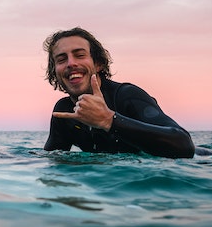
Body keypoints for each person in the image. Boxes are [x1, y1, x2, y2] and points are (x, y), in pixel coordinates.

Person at [42, 27, 196, 158]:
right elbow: (51, 157)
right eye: (61, 59)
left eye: (80, 55)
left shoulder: (126, 96)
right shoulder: (64, 111)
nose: (71, 63)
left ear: (98, 64)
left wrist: (109, 120)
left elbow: (184, 145)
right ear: (55, 72)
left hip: (203, 161)